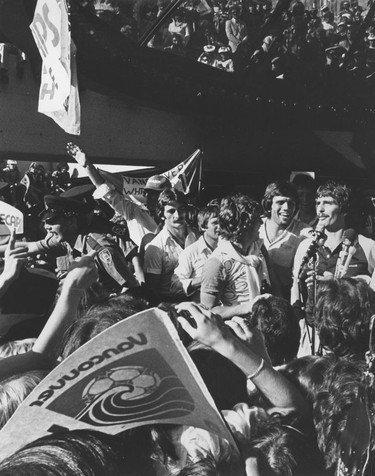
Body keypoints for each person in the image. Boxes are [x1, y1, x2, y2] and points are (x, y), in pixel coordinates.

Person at [292, 181, 375, 355]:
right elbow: (295, 288)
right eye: (317, 203)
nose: (320, 209)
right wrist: (300, 323)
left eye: (327, 203)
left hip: (350, 336)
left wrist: (338, 283)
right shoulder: (307, 246)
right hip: (313, 332)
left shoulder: (366, 245)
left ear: (343, 208)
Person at [23, 194, 139, 293]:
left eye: (52, 221)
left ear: (71, 221)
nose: (46, 227)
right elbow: (30, 246)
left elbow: (132, 289)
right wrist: (9, 250)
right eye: (45, 222)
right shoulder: (67, 240)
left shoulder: (100, 249)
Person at [66, 142, 171, 247]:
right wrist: (87, 166)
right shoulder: (134, 212)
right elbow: (108, 193)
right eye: (150, 194)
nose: (154, 198)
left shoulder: (179, 217)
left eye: (159, 195)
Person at [200, 194, 270, 319]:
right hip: (234, 332)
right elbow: (208, 311)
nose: (261, 222)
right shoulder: (217, 263)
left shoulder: (258, 249)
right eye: (256, 219)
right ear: (244, 223)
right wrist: (247, 308)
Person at [144, 189, 198, 301]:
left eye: (181, 209)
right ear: (162, 214)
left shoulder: (197, 236)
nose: (177, 215)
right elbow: (152, 291)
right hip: (171, 304)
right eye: (171, 211)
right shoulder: (156, 247)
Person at [259, 181, 310, 300]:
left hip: (286, 297)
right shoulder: (256, 227)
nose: (286, 208)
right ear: (269, 204)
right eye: (280, 202)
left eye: (291, 203)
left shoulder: (304, 232)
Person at [171, 204, 219, 301]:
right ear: (203, 226)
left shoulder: (226, 249)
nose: (220, 227)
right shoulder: (190, 253)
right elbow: (175, 286)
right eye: (215, 223)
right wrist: (204, 280)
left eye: (222, 223)